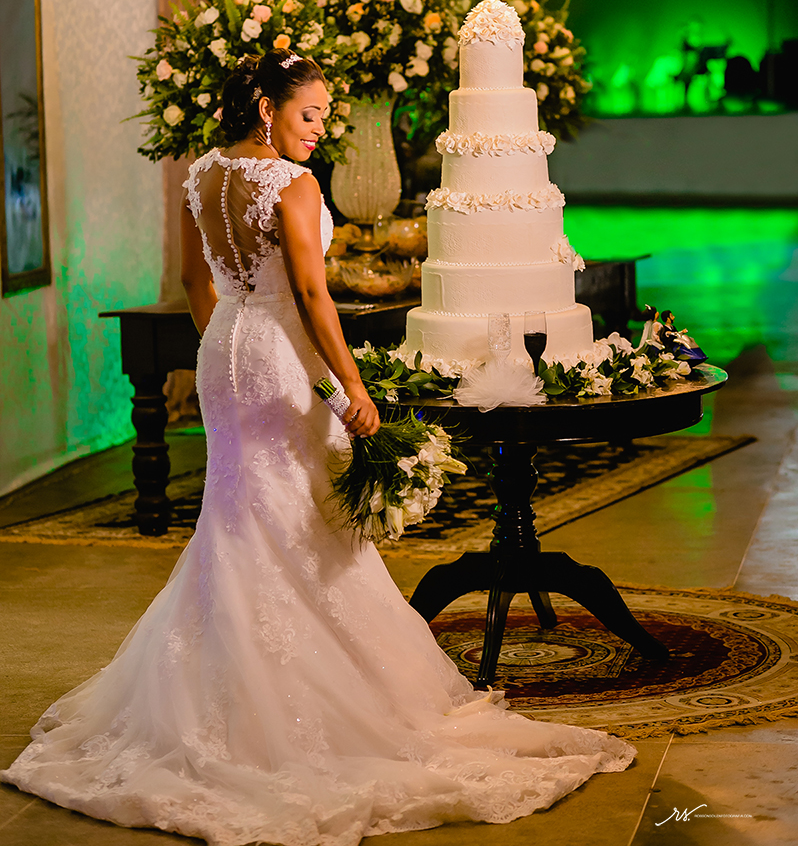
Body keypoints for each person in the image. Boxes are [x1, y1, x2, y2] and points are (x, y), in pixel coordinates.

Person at [1, 49, 634, 845]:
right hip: (280, 358)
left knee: (237, 515)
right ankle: (307, 696)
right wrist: (351, 385)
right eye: (310, 114)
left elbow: (198, 281)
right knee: (303, 519)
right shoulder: (291, 184)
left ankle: (219, 685)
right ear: (267, 108)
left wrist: (229, 339)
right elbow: (308, 292)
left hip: (224, 351)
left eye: (325, 116)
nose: (320, 129)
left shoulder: (200, 176)